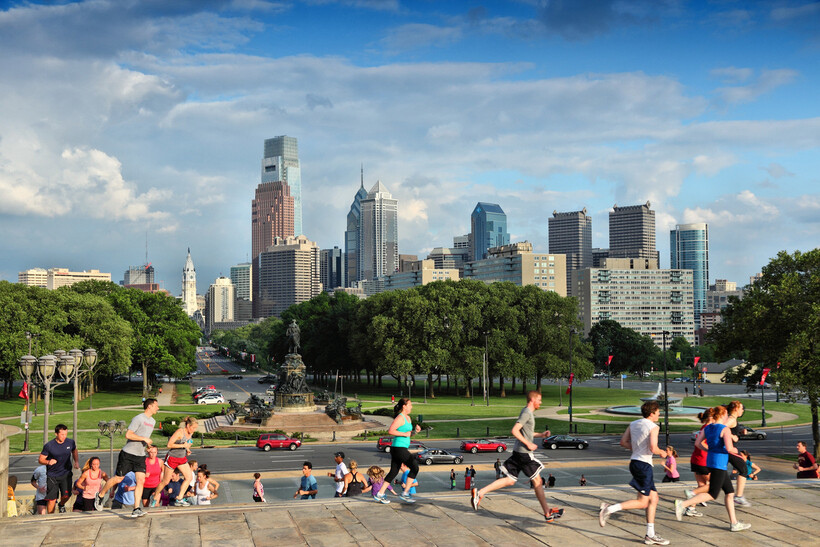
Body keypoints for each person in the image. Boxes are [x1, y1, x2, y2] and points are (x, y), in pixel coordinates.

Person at [470, 391, 564, 523]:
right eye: (540, 400)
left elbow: (527, 433)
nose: (541, 402)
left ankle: (480, 493)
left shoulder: (527, 412)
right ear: (532, 400)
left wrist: (541, 435)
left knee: (510, 480)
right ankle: (547, 513)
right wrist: (528, 444)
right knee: (538, 482)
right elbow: (514, 430)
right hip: (524, 453)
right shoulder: (527, 413)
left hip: (518, 452)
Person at [598, 400, 670, 545]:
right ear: (651, 413)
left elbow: (623, 442)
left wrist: (637, 449)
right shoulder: (653, 427)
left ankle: (650, 535)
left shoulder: (634, 423)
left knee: (653, 499)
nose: (659, 414)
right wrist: (662, 452)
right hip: (644, 465)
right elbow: (652, 447)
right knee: (643, 502)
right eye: (657, 412)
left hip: (635, 462)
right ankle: (610, 508)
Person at [673, 405, 751, 532]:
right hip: (719, 463)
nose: (727, 416)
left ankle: (734, 523)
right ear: (722, 415)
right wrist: (736, 452)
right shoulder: (725, 429)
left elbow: (698, 443)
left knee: (730, 492)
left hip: (710, 461)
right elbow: (730, 448)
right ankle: (683, 504)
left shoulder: (708, 428)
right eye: (726, 414)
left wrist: (709, 450)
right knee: (712, 494)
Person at [96, 398, 158, 518]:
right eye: (156, 405)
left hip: (140, 455)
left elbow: (143, 437)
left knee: (141, 481)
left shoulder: (153, 421)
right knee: (118, 479)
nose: (158, 408)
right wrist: (144, 439)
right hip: (128, 454)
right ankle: (100, 495)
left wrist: (148, 445)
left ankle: (136, 508)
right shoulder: (139, 418)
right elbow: (128, 434)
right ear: (149, 406)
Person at [374, 398, 421, 504]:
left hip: (399, 448)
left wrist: (415, 432)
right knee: (415, 467)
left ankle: (380, 494)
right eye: (410, 404)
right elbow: (391, 431)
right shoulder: (400, 418)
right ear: (404, 406)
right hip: (398, 448)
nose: (411, 406)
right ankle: (405, 493)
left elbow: (408, 434)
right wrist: (405, 434)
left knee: (393, 472)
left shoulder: (408, 418)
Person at [150, 416, 197, 507]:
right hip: (172, 458)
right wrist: (183, 445)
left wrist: (187, 449)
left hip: (182, 458)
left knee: (189, 477)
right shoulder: (180, 432)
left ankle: (179, 498)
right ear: (188, 425)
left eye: (195, 428)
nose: (194, 430)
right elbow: (169, 444)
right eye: (193, 428)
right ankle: (155, 495)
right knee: (166, 481)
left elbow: (186, 444)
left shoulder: (190, 433)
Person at [39, 423, 79, 514]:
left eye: (65, 434)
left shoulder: (70, 442)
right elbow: (41, 459)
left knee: (66, 496)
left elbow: (74, 450)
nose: (64, 436)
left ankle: (61, 505)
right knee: (52, 499)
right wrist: (48, 462)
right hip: (52, 476)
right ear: (56, 434)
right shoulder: (49, 446)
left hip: (66, 474)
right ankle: (50, 517)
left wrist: (76, 461)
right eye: (62, 434)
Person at [684, 408, 714, 511]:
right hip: (703, 460)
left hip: (696, 459)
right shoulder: (709, 428)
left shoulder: (703, 427)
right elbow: (703, 443)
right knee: (716, 483)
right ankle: (691, 493)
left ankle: (691, 509)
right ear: (711, 417)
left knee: (701, 485)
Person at [726, 401, 752, 507]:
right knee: (743, 469)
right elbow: (721, 428)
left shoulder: (733, 419)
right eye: (741, 408)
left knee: (715, 478)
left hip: (729, 450)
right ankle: (739, 496)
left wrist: (739, 432)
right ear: (736, 408)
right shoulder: (731, 419)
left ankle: (695, 496)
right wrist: (732, 437)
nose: (743, 410)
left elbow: (729, 429)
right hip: (729, 449)